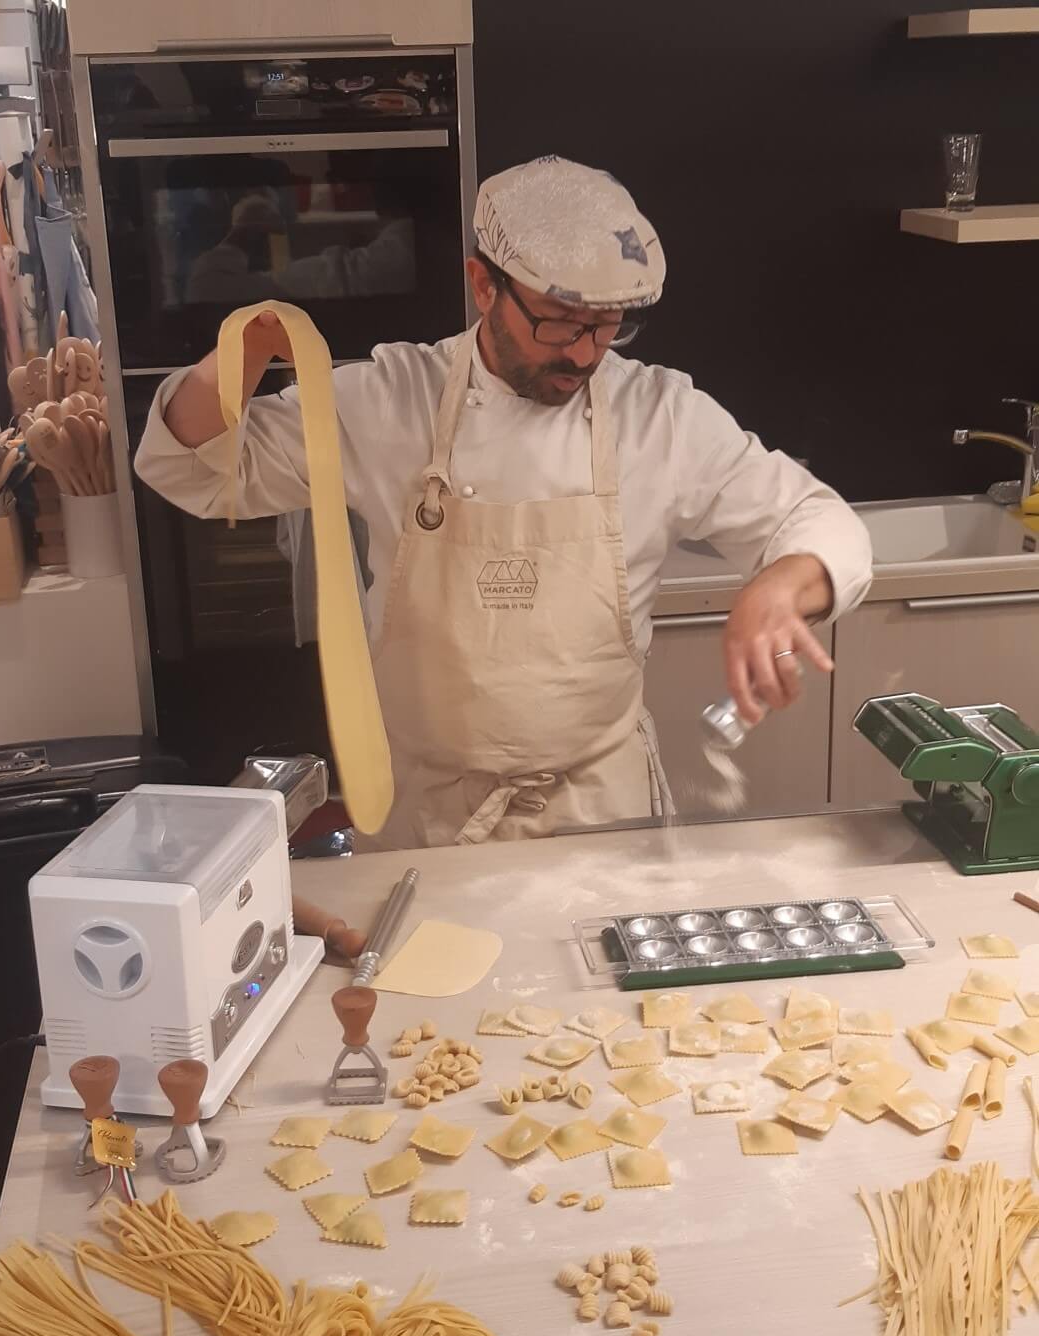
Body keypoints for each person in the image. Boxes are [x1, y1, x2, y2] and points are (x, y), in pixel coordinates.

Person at [136, 155, 872, 850]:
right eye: (557, 318)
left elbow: (821, 519)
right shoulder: (391, 398)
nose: (585, 352)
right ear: (484, 286)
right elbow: (194, 469)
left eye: (609, 322)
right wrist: (245, 349)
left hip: (600, 814)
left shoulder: (660, 415)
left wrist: (780, 583)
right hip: (425, 815)